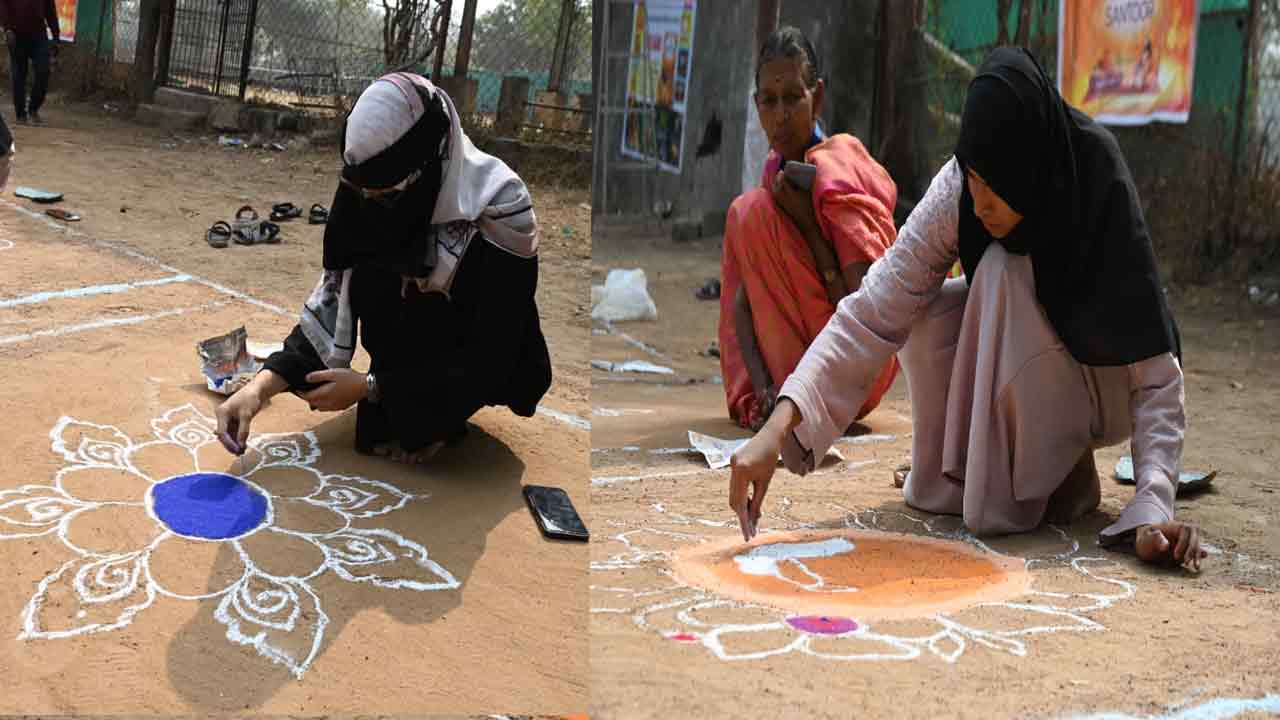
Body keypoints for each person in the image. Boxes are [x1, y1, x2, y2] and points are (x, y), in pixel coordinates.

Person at [729, 48, 1207, 571]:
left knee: (1003, 269)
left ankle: (1062, 468)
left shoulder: (1094, 176)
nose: (980, 205)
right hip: (1029, 360)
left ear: (1029, 165)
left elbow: (1156, 370)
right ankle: (973, 473)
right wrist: (777, 429)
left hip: (1104, 384)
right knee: (924, 313)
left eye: (994, 184)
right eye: (973, 182)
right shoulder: (960, 185)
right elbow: (872, 311)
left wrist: (1153, 502)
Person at [215, 72, 552, 464]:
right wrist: (259, 389)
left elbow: (495, 349)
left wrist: (372, 387)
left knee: (410, 422)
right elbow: (331, 303)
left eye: (388, 192)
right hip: (407, 359)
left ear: (429, 162)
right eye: (363, 192)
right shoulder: (366, 184)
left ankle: (436, 415)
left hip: (480, 358)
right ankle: (411, 407)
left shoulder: (502, 210)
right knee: (377, 431)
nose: (371, 201)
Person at [719, 27, 898, 432]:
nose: (781, 115)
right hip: (802, 377)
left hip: (857, 372)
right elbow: (745, 303)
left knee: (751, 212)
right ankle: (785, 396)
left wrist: (808, 227)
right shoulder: (774, 174)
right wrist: (763, 389)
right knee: (746, 213)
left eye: (793, 98)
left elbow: (866, 312)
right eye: (770, 101)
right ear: (757, 106)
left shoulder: (837, 170)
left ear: (816, 97)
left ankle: (803, 395)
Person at [0, 0, 59, 125]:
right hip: (16, 36)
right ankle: (20, 113)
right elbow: (3, 6)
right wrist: (7, 29)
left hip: (39, 36)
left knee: (44, 70)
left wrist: (56, 36)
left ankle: (33, 109)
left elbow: (50, 10)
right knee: (18, 75)